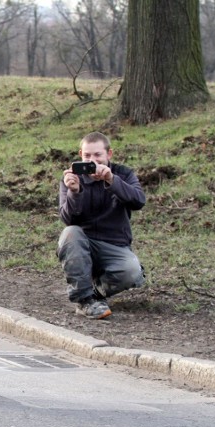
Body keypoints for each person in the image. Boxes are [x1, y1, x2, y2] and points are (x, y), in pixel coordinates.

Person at [58, 131, 146, 319]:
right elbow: (67, 219)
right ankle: (84, 301)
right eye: (87, 155)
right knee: (70, 233)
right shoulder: (72, 177)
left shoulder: (123, 173)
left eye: (98, 155)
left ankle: (96, 292)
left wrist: (112, 180)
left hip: (114, 244)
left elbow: (138, 201)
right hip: (83, 245)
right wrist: (75, 192)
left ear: (109, 154)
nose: (93, 160)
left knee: (132, 271)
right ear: (80, 155)